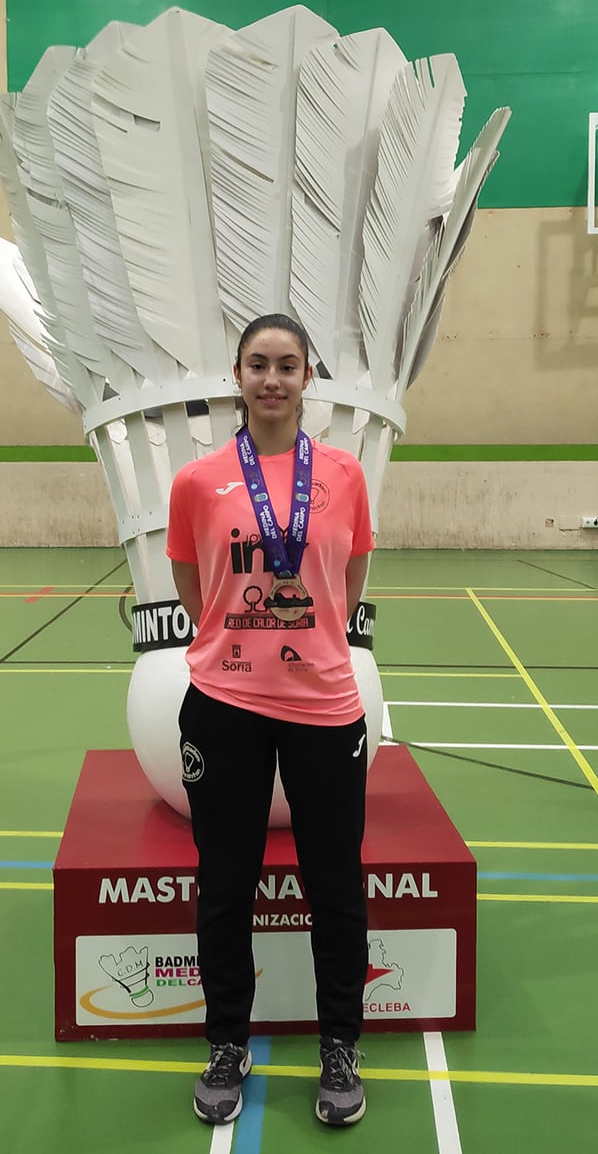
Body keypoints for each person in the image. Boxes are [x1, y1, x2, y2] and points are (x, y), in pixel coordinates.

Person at [166, 313, 374, 1127]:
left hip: (324, 705)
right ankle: (226, 1043)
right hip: (223, 706)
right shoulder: (199, 481)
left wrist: (301, 642)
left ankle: (340, 1049)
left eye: (288, 365)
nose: (273, 380)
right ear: (238, 375)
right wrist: (240, 645)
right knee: (225, 883)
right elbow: (192, 583)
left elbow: (349, 580)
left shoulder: (346, 476)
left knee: (335, 886)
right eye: (259, 364)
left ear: (308, 377)